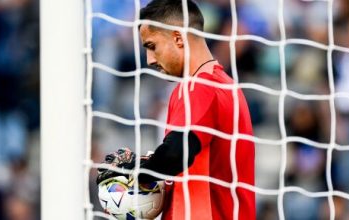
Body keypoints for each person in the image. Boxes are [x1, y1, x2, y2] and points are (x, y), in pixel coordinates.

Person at [96, 0, 255, 219]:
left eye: (152, 46)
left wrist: (135, 173)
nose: (150, 60)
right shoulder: (224, 85)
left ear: (178, 38)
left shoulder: (200, 86)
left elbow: (176, 153)